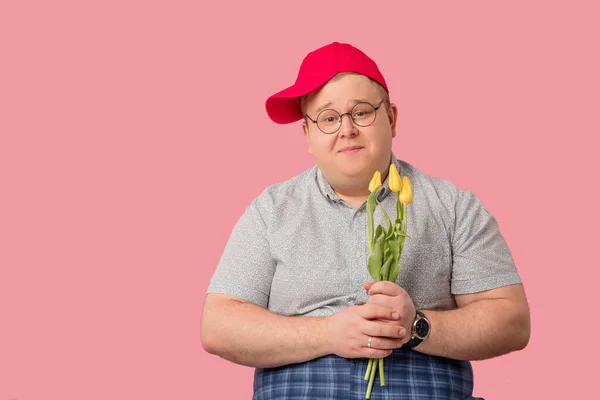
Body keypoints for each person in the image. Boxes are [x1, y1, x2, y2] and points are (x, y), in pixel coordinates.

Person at [201, 42, 530, 400]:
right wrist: (326, 334)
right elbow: (218, 326)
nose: (347, 130)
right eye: (328, 118)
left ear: (391, 118)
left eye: (361, 112)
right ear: (307, 136)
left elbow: (511, 320)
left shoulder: (453, 206)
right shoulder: (271, 210)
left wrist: (416, 325)